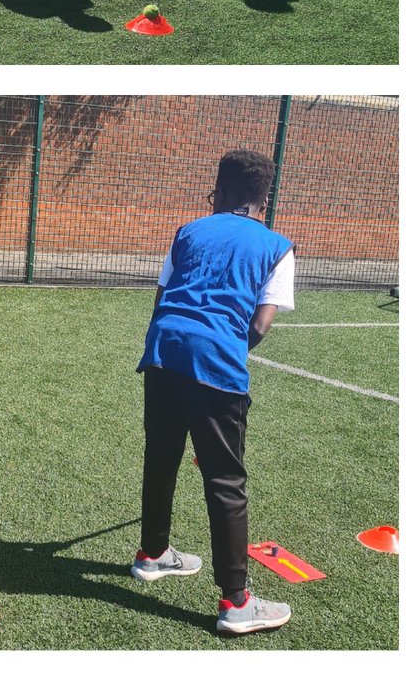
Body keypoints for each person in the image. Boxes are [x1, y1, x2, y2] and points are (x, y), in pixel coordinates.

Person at [134, 148, 293, 635]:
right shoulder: (277, 246)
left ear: (219, 191)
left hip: (163, 351)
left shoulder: (188, 231)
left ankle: (152, 553)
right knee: (225, 482)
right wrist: (220, 353)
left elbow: (162, 299)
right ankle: (236, 603)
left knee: (162, 459)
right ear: (264, 200)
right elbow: (260, 326)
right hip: (215, 366)